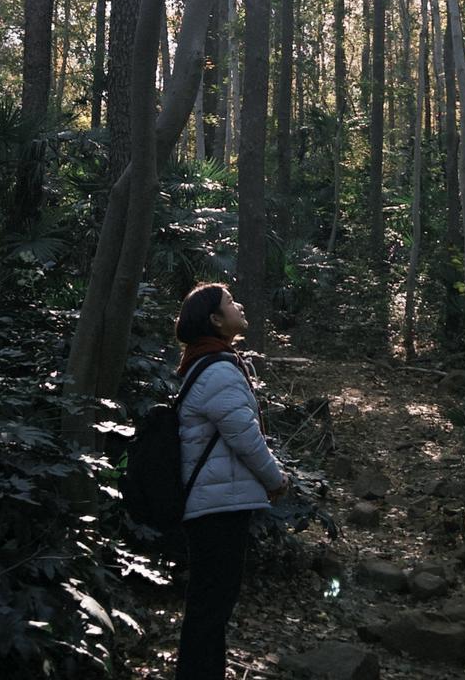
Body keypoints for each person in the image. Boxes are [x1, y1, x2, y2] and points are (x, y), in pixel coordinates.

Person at [174, 282, 288, 680]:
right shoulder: (219, 370)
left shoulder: (206, 363)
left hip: (215, 501)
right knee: (212, 606)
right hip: (218, 506)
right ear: (215, 320)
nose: (238, 305)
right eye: (229, 302)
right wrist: (275, 480)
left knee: (210, 606)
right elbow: (245, 437)